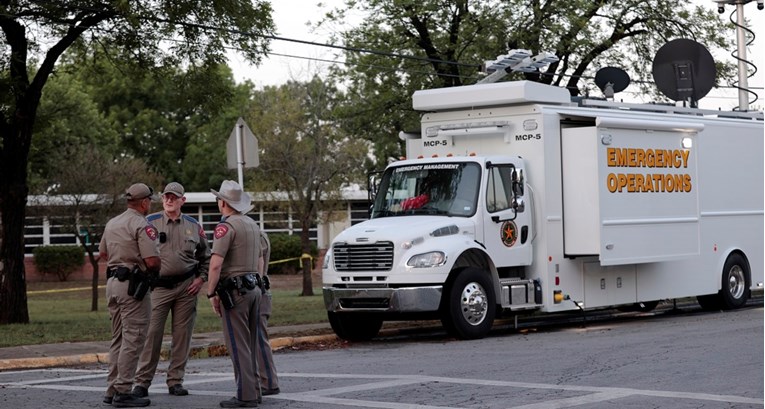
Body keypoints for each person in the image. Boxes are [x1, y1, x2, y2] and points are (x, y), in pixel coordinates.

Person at [132, 182, 211, 398]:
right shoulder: (149, 222)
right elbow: (136, 252)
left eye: (174, 197)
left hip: (187, 288)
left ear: (182, 200)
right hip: (158, 288)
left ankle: (175, 381)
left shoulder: (194, 225)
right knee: (152, 335)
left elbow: (206, 257)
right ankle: (142, 382)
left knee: (182, 336)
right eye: (166, 196)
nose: (169, 200)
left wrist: (201, 279)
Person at [99, 183, 161, 408]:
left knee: (118, 338)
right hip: (133, 288)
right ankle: (123, 391)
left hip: (113, 284)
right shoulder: (142, 225)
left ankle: (112, 388)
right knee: (133, 339)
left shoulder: (112, 223)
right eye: (150, 201)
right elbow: (152, 261)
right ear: (145, 202)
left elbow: (103, 253)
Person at [206, 180, 263, 408]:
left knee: (237, 345)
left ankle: (245, 396)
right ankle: (255, 390)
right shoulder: (252, 224)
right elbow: (260, 260)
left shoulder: (226, 227)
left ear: (223, 203)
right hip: (254, 289)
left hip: (235, 292)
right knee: (250, 343)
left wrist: (211, 293)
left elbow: (215, 265)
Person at [255, 231, 280, 397]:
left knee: (259, 339)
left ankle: (269, 382)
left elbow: (259, 265)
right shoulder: (255, 231)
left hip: (258, 291)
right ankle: (264, 380)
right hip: (258, 290)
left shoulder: (255, 234)